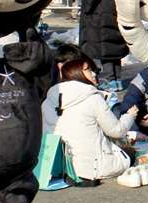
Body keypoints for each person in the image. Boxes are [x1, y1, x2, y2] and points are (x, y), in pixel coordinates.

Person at [42, 56, 141, 184]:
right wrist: (130, 115)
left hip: (60, 167)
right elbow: (117, 131)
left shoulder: (47, 102)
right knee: (130, 154)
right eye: (88, 70)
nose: (94, 74)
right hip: (94, 167)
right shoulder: (92, 99)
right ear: (77, 74)